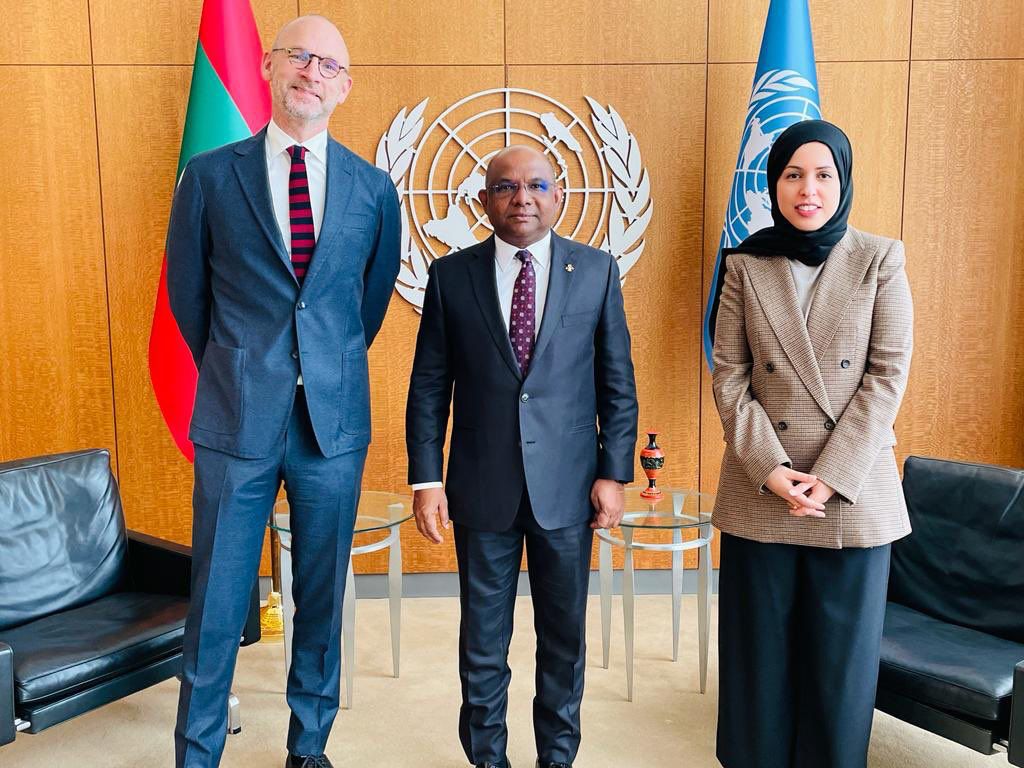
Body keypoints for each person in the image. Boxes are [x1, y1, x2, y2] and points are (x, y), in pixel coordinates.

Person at [166, 15, 400, 768]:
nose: (312, 71)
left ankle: (309, 746)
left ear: (346, 87)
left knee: (322, 597)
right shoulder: (209, 175)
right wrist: (247, 361)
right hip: (236, 412)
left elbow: (365, 302)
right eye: (299, 56)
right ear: (269, 67)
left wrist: (317, 362)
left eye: (329, 64)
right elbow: (187, 295)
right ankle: (198, 752)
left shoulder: (372, 187)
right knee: (217, 599)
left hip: (331, 422)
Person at [406, 146, 638, 768]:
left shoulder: (595, 271)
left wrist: (615, 473)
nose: (522, 198)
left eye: (537, 185)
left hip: (568, 489)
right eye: (506, 187)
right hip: (481, 490)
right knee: (483, 642)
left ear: (557, 196)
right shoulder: (451, 277)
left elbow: (618, 383)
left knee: (562, 641)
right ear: (485, 200)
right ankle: (488, 759)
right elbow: (429, 387)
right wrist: (427, 480)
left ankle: (556, 758)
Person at [709, 119, 914, 768]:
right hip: (761, 488)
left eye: (824, 174)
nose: (808, 188)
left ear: (843, 181)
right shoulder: (744, 263)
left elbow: (887, 376)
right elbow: (730, 377)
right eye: (793, 174)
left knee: (838, 671)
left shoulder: (881, 258)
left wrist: (831, 474)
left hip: (850, 497)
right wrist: (771, 468)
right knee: (758, 664)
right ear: (773, 184)